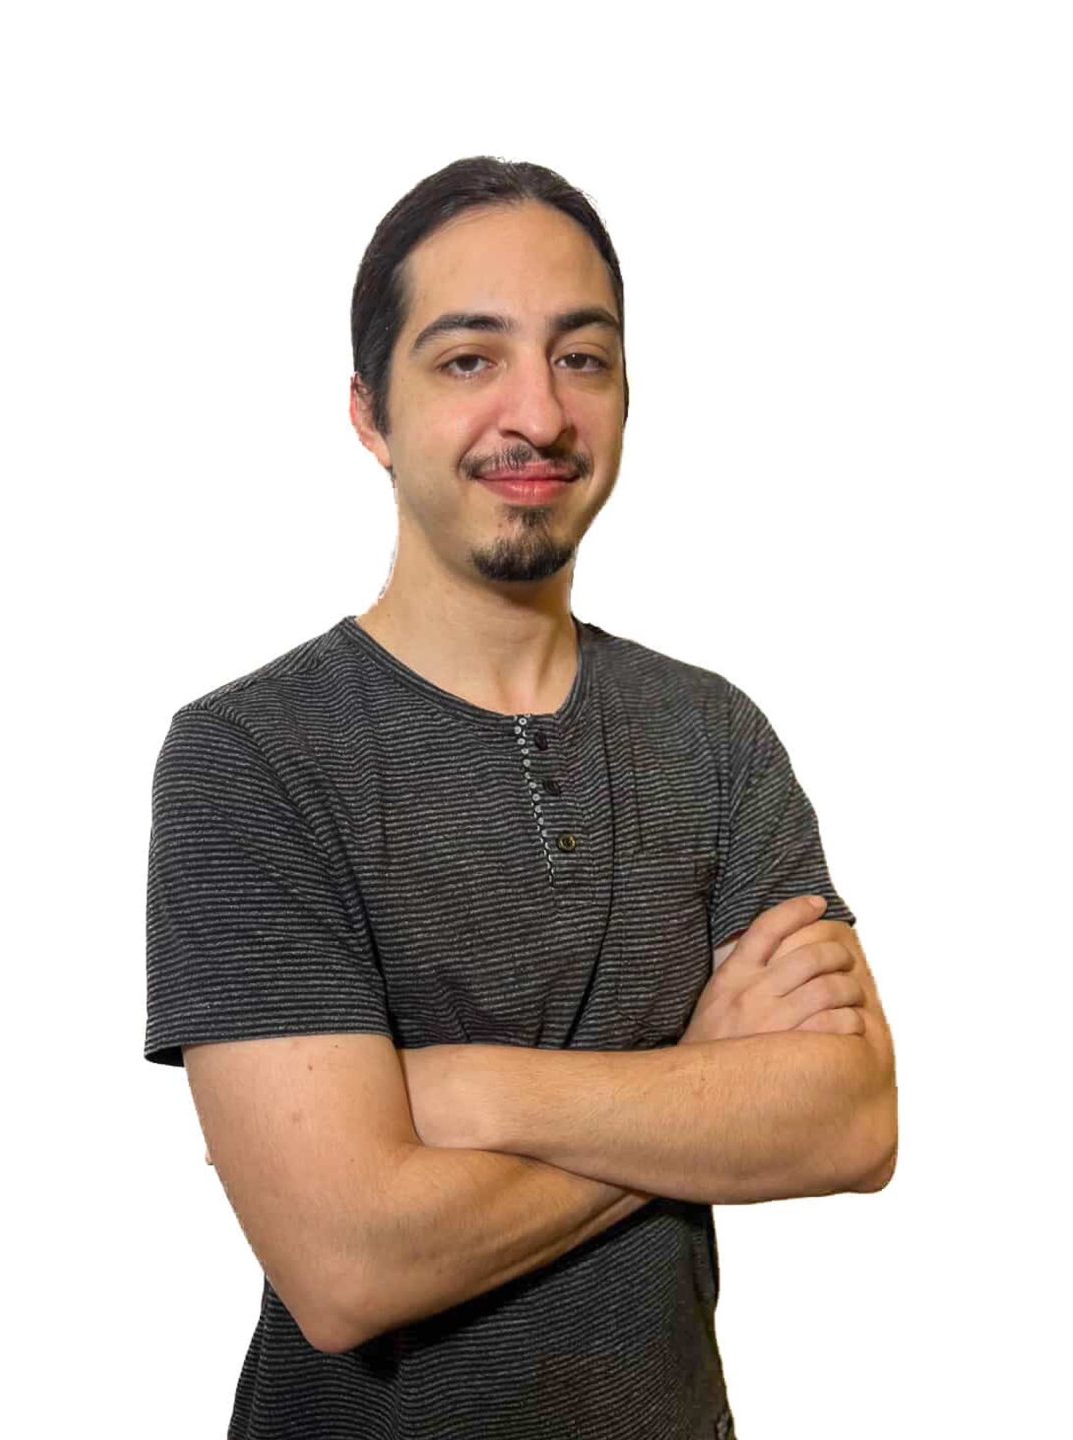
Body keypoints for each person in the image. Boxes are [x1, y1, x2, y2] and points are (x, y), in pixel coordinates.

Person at [143, 155, 897, 1440]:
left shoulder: (712, 734)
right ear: (370, 415)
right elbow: (348, 1265)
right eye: (468, 359)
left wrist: (468, 1094)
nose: (538, 415)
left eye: (581, 358)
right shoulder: (251, 756)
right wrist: (699, 1080)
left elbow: (851, 1120)